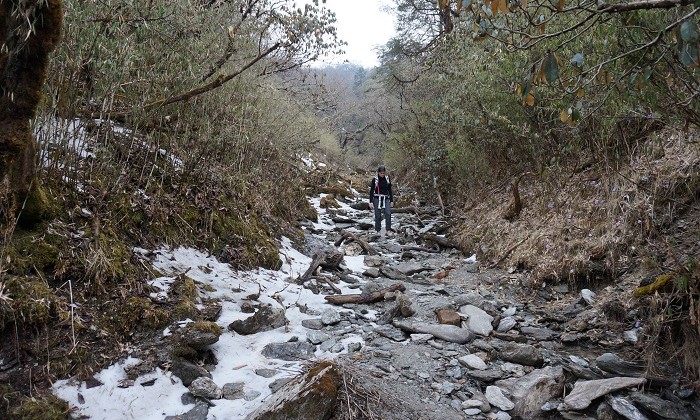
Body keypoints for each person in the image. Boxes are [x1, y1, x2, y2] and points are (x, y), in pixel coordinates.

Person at [369, 165, 393, 236]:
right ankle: (378, 230)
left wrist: (391, 201)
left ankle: (388, 230)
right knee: (377, 214)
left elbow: (390, 190)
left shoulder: (387, 178)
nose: (382, 174)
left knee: (388, 213)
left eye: (383, 173)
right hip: (377, 198)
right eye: (381, 173)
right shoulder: (375, 179)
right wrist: (370, 201)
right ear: (378, 173)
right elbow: (372, 190)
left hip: (386, 198)